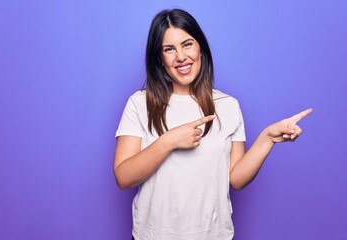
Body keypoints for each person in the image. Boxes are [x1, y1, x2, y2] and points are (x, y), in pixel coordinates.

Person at [113, 8, 312, 240]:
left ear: (200, 48)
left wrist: (267, 138)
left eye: (187, 44)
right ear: (160, 58)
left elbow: (236, 179)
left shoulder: (228, 106)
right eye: (169, 49)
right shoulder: (139, 104)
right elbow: (123, 177)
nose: (180, 56)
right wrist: (168, 142)